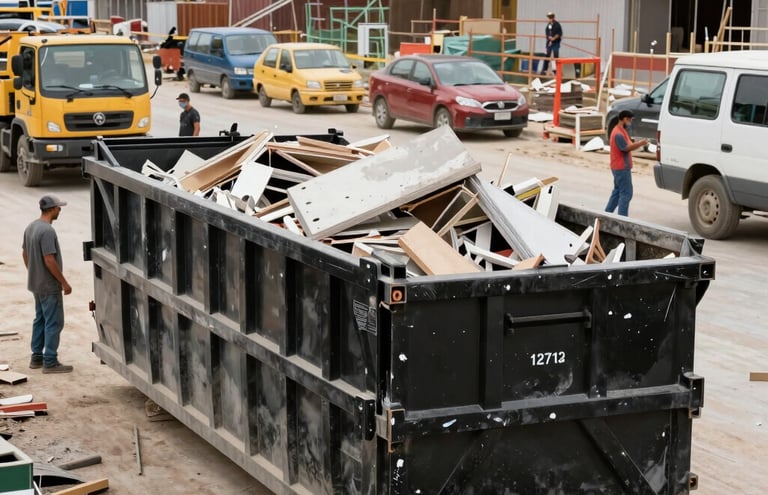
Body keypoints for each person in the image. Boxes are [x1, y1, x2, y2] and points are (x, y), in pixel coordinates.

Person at [22, 195, 73, 374]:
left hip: (36, 284)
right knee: (54, 322)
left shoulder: (31, 227)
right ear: (52, 209)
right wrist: (64, 283)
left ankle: (36, 357)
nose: (60, 210)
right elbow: (50, 260)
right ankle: (50, 361)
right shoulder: (47, 231)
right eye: (59, 208)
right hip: (49, 286)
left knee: (40, 319)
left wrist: (33, 271)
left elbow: (25, 253)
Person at [605, 110, 649, 216]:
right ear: (624, 119)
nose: (630, 122)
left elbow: (628, 143)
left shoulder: (621, 130)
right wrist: (640, 143)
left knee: (617, 192)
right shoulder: (618, 134)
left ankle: (606, 214)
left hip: (618, 167)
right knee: (626, 193)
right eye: (629, 120)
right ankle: (623, 220)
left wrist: (637, 142)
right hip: (621, 167)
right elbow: (626, 148)